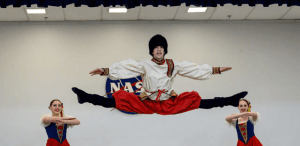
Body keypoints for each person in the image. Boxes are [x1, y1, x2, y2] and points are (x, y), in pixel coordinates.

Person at [72, 34, 247, 115]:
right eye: (156, 48)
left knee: (196, 102)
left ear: (165, 50)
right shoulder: (144, 65)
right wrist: (105, 71)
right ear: (152, 50)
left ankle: (230, 101)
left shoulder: (173, 64)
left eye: (161, 48)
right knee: (117, 100)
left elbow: (193, 69)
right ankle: (85, 97)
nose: (158, 50)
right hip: (146, 101)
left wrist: (215, 70)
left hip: (167, 102)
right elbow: (126, 68)